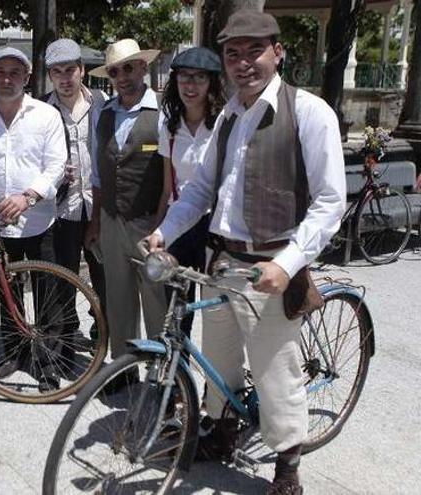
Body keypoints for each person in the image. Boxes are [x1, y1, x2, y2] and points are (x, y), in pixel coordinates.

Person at [145, 10, 346, 495]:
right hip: (222, 261)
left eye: (254, 50)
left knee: (277, 372)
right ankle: (223, 429)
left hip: (271, 266)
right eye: (233, 53)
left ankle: (288, 463)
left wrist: (287, 264)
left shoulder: (309, 111)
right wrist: (164, 233)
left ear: (278, 51)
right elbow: (198, 191)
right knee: (220, 360)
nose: (243, 62)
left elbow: (330, 202)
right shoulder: (230, 114)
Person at [0, 46, 66, 392]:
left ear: (27, 77)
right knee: (8, 293)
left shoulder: (46, 115)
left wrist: (28, 196)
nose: (7, 79)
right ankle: (14, 352)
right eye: (0, 72)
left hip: (40, 221)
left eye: (14, 72)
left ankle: (48, 363)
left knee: (48, 295)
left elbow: (56, 167)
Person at [85, 39, 168, 362]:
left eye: (128, 67)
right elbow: (97, 173)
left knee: (156, 301)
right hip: (111, 220)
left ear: (143, 67)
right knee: (118, 299)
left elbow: (170, 179)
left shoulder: (163, 111)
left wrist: (162, 227)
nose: (122, 76)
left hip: (149, 221)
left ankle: (165, 375)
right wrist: (95, 222)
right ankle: (123, 367)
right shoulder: (103, 113)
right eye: (115, 71)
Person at [43, 38, 109, 363]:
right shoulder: (42, 110)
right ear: (50, 76)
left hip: (99, 209)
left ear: (82, 70)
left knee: (105, 279)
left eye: (70, 70)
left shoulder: (102, 102)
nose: (65, 78)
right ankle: (66, 343)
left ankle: (104, 336)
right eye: (57, 72)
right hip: (63, 209)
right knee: (64, 281)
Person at [157, 47, 225, 335]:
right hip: (179, 224)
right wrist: (159, 230)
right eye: (184, 77)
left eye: (199, 78)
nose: (190, 85)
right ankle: (178, 374)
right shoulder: (169, 126)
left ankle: (217, 375)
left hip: (214, 226)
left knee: (216, 306)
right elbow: (166, 186)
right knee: (176, 307)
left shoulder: (224, 124)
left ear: (211, 83)